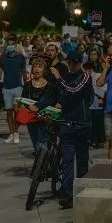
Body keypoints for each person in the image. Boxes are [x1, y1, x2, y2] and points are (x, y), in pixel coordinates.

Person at [30, 51, 94, 208]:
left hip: (82, 125)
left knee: (82, 160)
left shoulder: (85, 77)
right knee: (66, 161)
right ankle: (66, 193)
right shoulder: (64, 80)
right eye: (70, 63)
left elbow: (73, 90)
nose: (72, 66)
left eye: (75, 63)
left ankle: (82, 191)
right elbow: (51, 96)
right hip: (67, 125)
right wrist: (37, 105)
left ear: (80, 63)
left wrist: (59, 79)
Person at [0, 35, 26, 144]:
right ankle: (11, 133)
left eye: (12, 44)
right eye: (8, 44)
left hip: (18, 87)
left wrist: (26, 84)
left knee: (17, 111)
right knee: (9, 112)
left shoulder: (21, 57)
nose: (10, 46)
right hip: (6, 87)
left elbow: (24, 71)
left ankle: (16, 132)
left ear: (16, 45)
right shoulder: (3, 57)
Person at [17, 58, 51, 152]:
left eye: (40, 67)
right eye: (35, 66)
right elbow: (23, 99)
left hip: (44, 118)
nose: (37, 69)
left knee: (43, 143)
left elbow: (50, 101)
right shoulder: (27, 85)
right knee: (36, 143)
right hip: (31, 118)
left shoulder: (49, 85)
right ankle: (40, 160)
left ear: (44, 70)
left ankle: (43, 163)